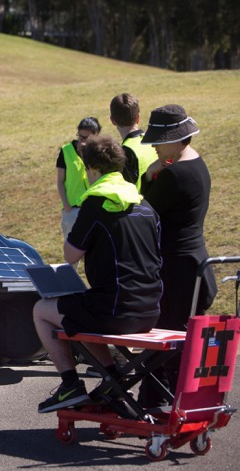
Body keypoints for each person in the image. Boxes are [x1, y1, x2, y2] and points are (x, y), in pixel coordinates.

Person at [34, 135, 162, 413]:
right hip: (150, 309)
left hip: (114, 312)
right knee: (82, 309)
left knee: (42, 310)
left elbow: (71, 256)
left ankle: (70, 384)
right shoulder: (144, 204)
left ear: (91, 168)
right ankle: (110, 379)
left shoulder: (96, 203)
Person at [138, 104, 216, 405]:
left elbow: (144, 214)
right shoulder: (196, 164)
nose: (155, 147)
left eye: (159, 141)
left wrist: (147, 176)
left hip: (177, 271)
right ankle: (174, 399)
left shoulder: (174, 175)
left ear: (176, 138)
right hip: (194, 265)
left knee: (166, 337)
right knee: (179, 336)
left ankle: (158, 402)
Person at [56, 117, 101, 238]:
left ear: (96, 136)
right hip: (72, 209)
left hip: (93, 208)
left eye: (86, 138)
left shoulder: (100, 153)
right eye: (80, 136)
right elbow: (60, 181)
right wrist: (67, 207)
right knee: (72, 249)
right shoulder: (66, 151)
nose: (82, 142)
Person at [109, 93, 157, 189]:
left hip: (140, 203)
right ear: (138, 118)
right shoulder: (153, 142)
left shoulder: (125, 153)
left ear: (112, 121)